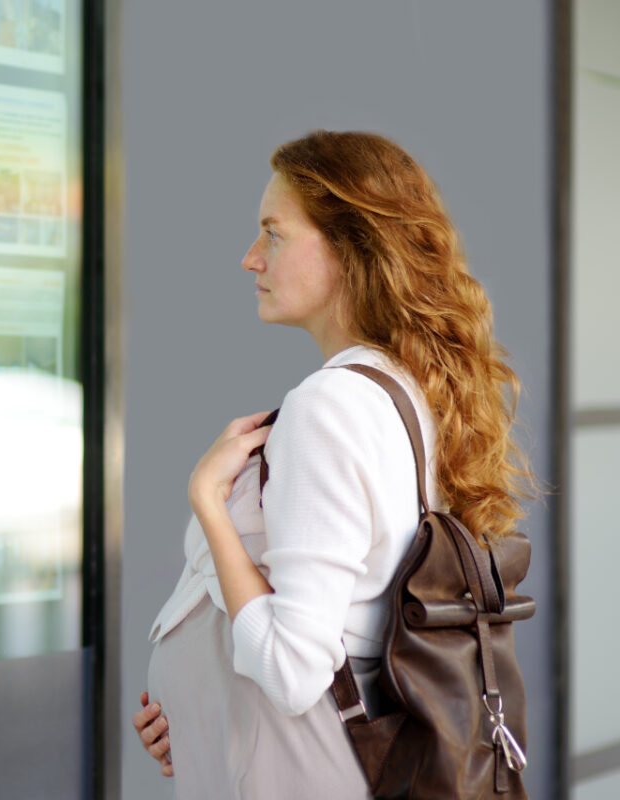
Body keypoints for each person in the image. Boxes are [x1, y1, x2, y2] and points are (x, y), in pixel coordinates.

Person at [131, 131, 535, 798]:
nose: (250, 258)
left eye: (274, 234)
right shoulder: (398, 391)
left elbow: (294, 667)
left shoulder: (330, 407)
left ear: (352, 250)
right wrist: (195, 710)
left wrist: (208, 499)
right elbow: (347, 622)